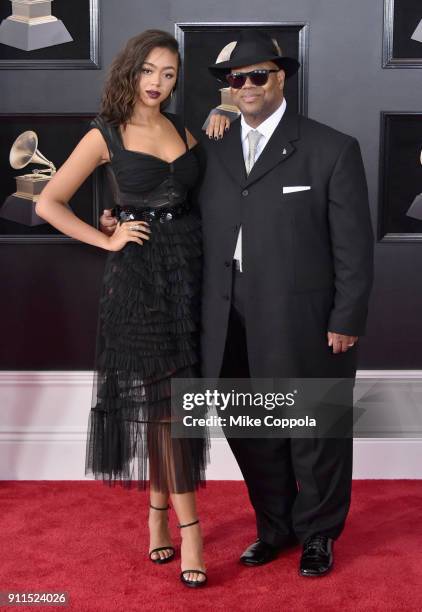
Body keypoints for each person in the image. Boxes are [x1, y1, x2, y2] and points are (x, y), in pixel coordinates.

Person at [100, 29, 374, 578]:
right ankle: (276, 527)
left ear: (281, 78)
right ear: (227, 87)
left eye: (258, 75)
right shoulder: (211, 151)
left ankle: (319, 534)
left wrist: (346, 318)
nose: (246, 85)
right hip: (224, 317)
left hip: (305, 318)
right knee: (249, 428)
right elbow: (172, 205)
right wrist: (117, 218)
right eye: (236, 78)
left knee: (315, 429)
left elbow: (354, 247)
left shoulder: (331, 148)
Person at [35, 29, 228, 588]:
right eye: (149, 71)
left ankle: (157, 518)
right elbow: (50, 202)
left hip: (188, 276)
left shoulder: (180, 127)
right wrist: (109, 239)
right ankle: (189, 528)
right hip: (140, 280)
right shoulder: (106, 133)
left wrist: (218, 119)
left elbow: (209, 189)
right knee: (169, 406)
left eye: (168, 74)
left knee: (173, 407)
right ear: (130, 70)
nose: (158, 83)